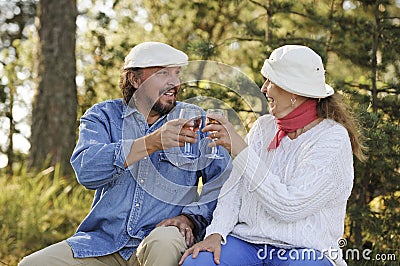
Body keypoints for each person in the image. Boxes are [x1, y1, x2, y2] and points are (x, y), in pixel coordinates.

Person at [19, 42, 231, 266]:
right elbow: (87, 171)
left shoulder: (193, 119)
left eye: (176, 74)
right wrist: (152, 142)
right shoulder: (103, 116)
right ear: (135, 79)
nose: (175, 83)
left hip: (160, 239)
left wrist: (190, 218)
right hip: (102, 243)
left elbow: (222, 180)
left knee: (164, 240)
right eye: (163, 73)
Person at [180, 45, 366, 266]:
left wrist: (240, 149)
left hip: (305, 250)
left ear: (293, 92)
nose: (264, 88)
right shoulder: (263, 127)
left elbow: (289, 207)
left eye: (270, 81)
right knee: (197, 263)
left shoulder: (332, 138)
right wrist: (216, 233)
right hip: (247, 242)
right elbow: (234, 191)